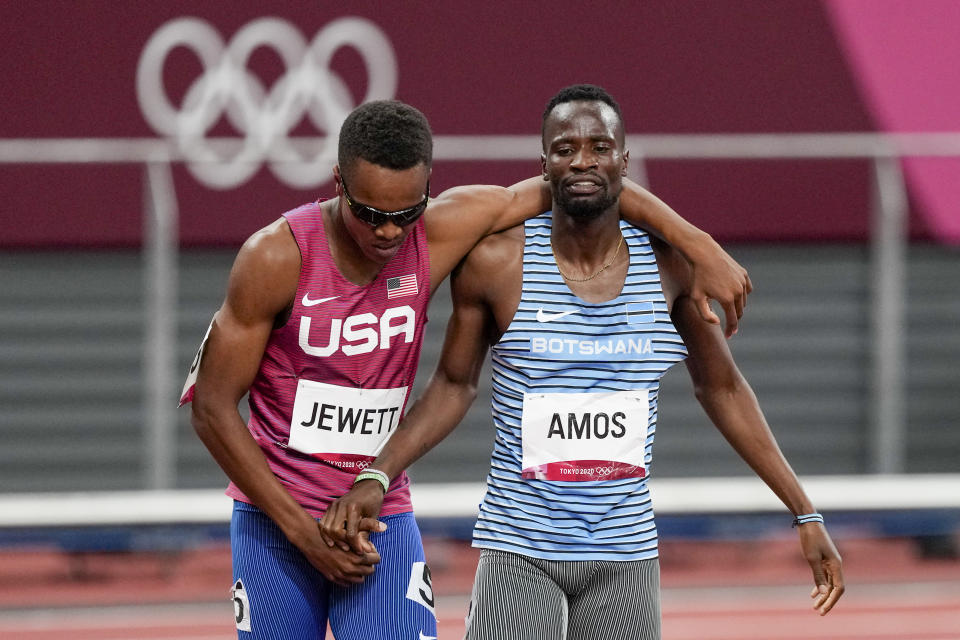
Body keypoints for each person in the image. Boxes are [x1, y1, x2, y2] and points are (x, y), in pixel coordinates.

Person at [181, 98, 751, 640]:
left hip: (378, 513)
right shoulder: (276, 257)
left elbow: (584, 184)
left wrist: (701, 246)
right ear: (338, 184)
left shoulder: (437, 233)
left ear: (428, 190)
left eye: (405, 213)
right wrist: (305, 535)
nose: (387, 232)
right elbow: (211, 408)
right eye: (370, 214)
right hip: (276, 520)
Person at [323, 86, 844, 639]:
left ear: (625, 157)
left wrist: (804, 511)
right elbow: (453, 385)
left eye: (600, 147)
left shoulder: (671, 267)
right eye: (564, 149)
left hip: (626, 557)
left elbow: (724, 390)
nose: (582, 161)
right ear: (542, 163)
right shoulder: (497, 263)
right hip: (519, 551)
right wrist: (379, 472)